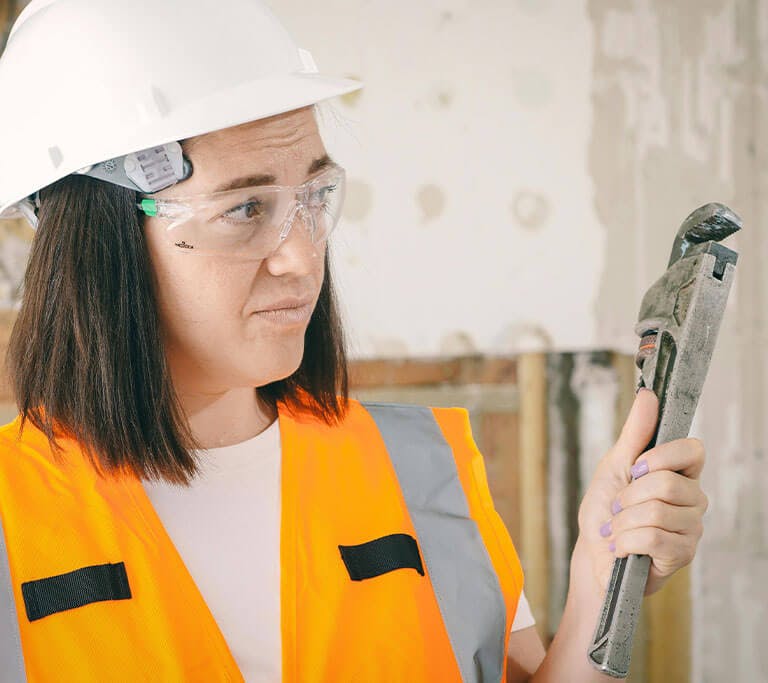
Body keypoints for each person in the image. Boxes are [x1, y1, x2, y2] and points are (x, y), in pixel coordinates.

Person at [0, 1, 708, 681]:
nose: (303, 257)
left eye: (313, 196)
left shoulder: (419, 470)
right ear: (97, 240)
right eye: (245, 208)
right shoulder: (13, 521)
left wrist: (596, 576)